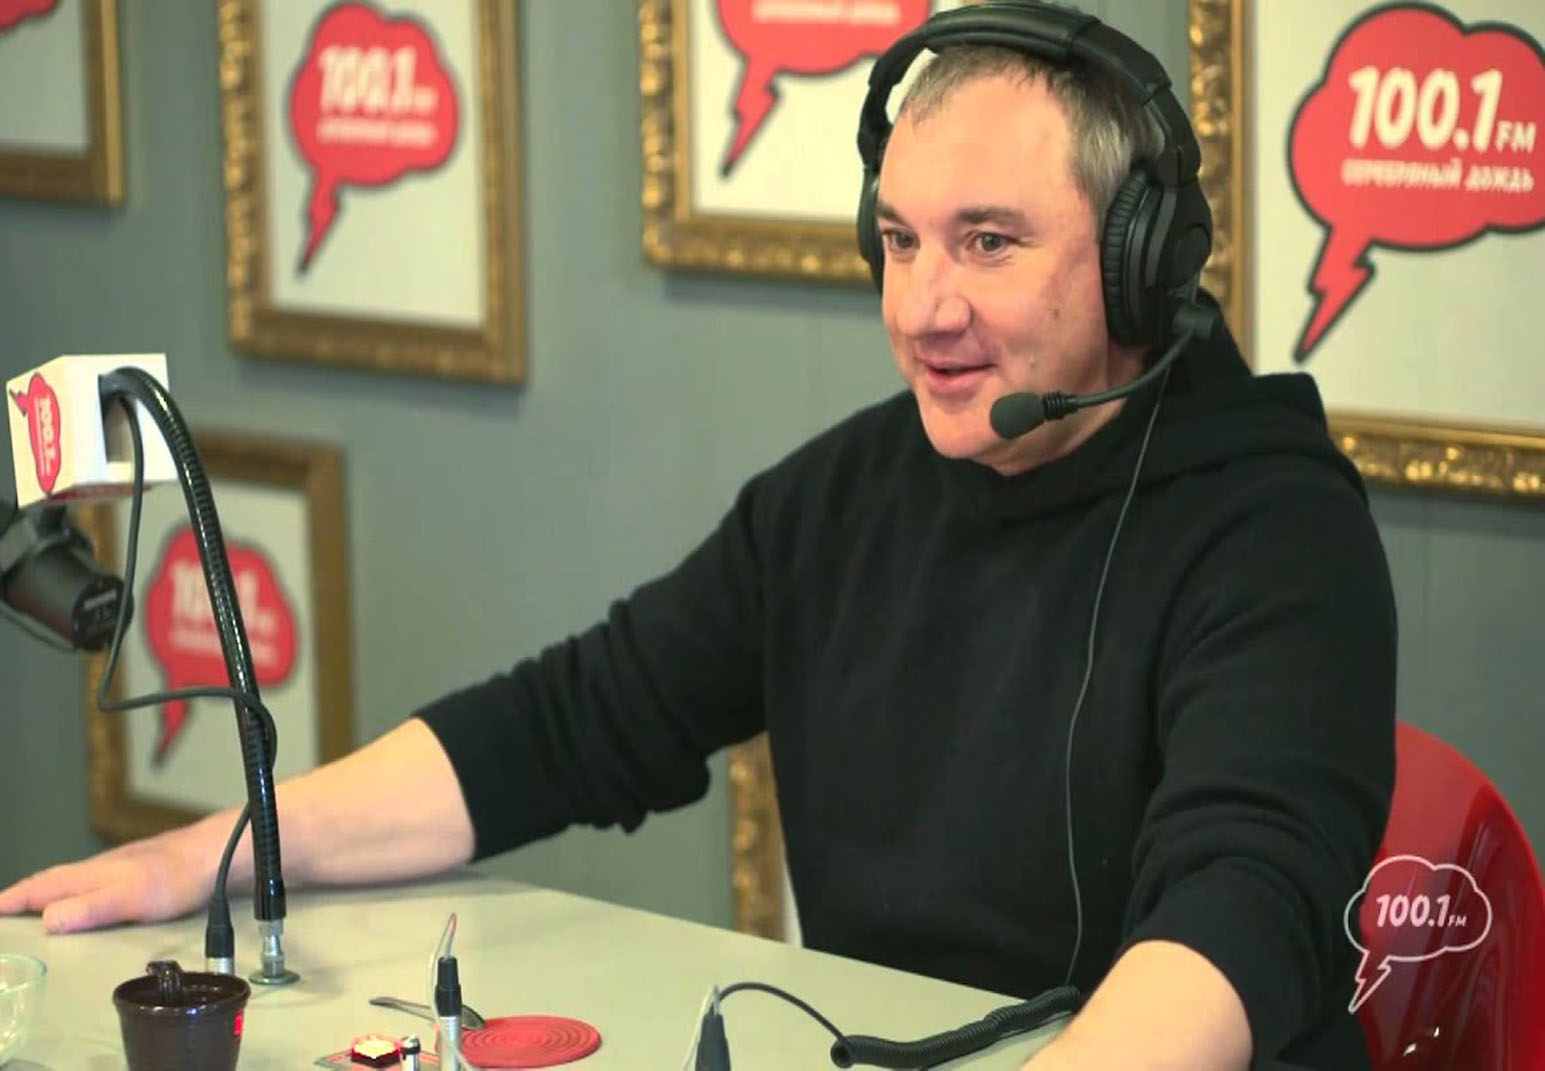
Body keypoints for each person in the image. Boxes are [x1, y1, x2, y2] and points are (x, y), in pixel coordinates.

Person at [0, 5, 1396, 1069]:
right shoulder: (841, 499)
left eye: (988, 243)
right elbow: (570, 722)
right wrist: (225, 850)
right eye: (901, 241)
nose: (923, 309)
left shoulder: (1276, 533)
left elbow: (1236, 912)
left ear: (1141, 262)